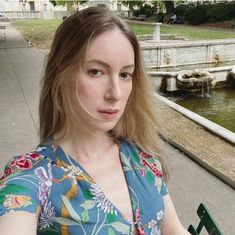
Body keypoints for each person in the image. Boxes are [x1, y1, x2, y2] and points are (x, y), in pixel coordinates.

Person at [0, 7, 190, 235]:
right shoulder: (33, 177)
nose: (116, 93)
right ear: (60, 74)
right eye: (96, 72)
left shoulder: (142, 158)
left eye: (125, 74)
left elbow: (174, 230)